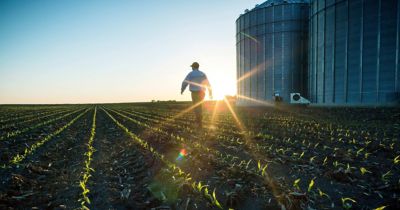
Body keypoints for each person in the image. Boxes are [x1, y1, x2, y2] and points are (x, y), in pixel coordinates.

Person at [181, 62, 212, 128]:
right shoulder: (203, 74)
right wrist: (210, 92)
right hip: (202, 93)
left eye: (192, 66)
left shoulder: (191, 74)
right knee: (200, 106)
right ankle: (199, 120)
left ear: (193, 67)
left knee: (196, 106)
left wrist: (182, 90)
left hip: (195, 92)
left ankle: (199, 121)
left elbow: (185, 82)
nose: (191, 67)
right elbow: (208, 83)